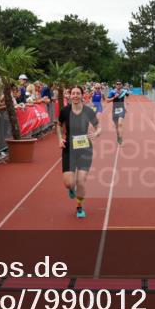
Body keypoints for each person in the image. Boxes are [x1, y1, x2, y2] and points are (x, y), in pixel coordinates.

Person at [56, 86, 101, 219]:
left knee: (81, 181)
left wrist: (97, 133)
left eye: (78, 93)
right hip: (69, 149)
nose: (75, 95)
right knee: (68, 183)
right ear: (70, 96)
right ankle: (71, 188)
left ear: (82, 95)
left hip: (85, 149)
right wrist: (59, 138)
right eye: (73, 93)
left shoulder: (88, 111)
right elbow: (58, 125)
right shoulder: (65, 111)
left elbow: (99, 127)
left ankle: (79, 206)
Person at [107, 80, 128, 145]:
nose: (118, 85)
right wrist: (114, 97)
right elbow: (107, 100)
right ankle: (118, 136)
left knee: (120, 124)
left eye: (119, 84)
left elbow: (126, 98)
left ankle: (121, 137)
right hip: (115, 109)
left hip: (122, 109)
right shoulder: (112, 92)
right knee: (116, 126)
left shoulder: (124, 91)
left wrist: (126, 106)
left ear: (121, 85)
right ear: (115, 85)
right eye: (117, 84)